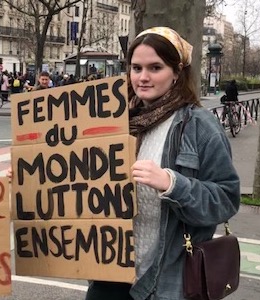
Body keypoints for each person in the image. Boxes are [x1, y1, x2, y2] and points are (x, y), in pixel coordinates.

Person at [85, 27, 240, 300]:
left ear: (177, 72)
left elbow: (226, 199)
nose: (142, 77)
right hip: (109, 273)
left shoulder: (199, 127)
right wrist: (36, 178)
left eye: (155, 68)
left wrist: (173, 184)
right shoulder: (112, 120)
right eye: (136, 68)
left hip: (167, 282)